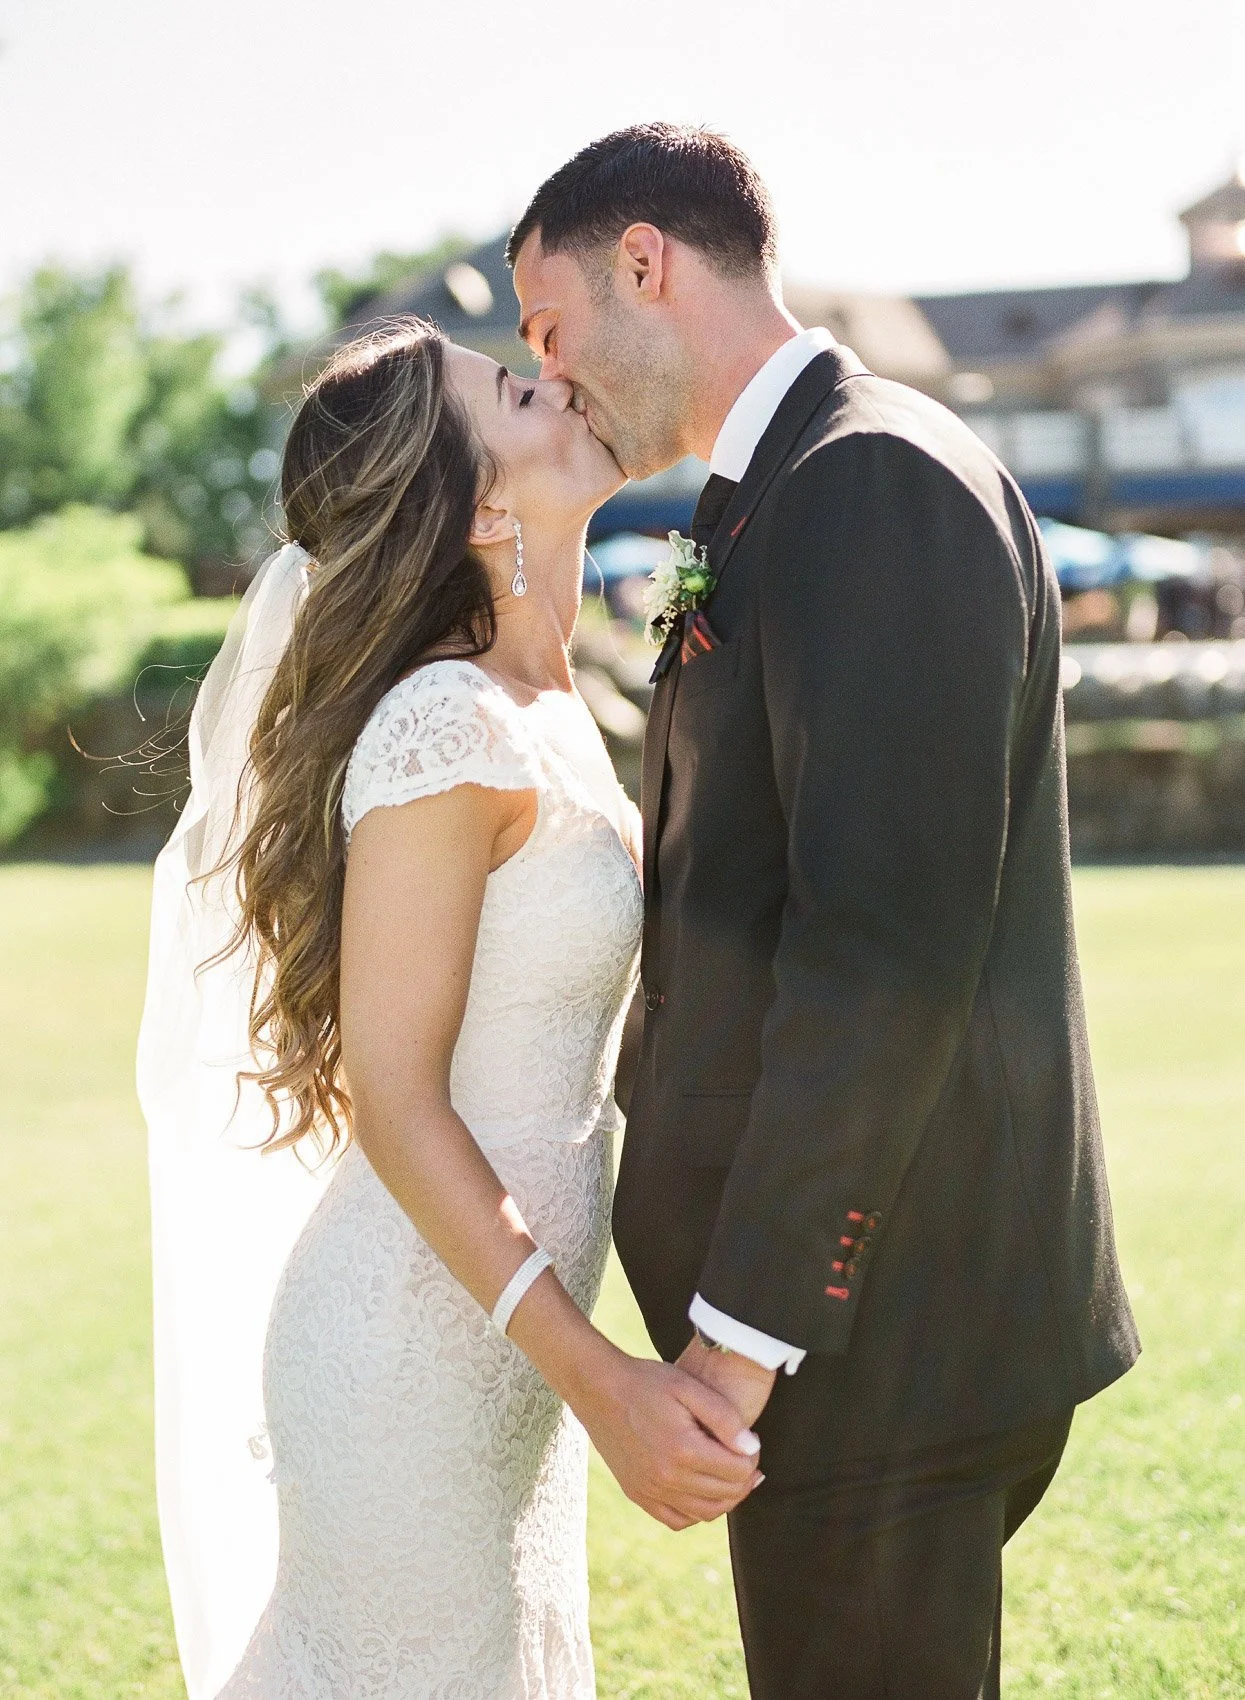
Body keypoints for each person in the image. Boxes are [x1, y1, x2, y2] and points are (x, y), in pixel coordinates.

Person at [509, 122, 1141, 1699]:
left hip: (880, 1342)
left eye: (547, 326)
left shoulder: (867, 482)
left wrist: (745, 1335)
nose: (548, 369)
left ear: (643, 262)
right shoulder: (779, 489)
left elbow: (880, 953)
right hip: (860, 1346)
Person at [138, 321, 764, 1700]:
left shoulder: (545, 707)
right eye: (522, 391)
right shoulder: (443, 724)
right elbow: (398, 1099)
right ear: (483, 504)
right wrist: (603, 1380)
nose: (567, 386)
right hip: (409, 1355)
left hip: (495, 1348)